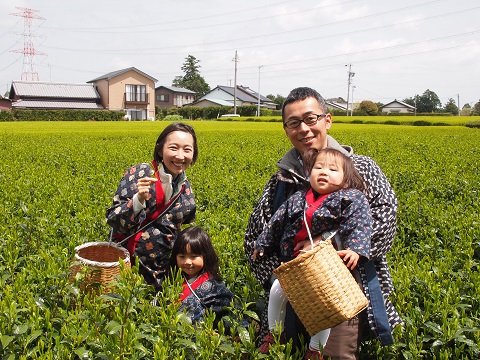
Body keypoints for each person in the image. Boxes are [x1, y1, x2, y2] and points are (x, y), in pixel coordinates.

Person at [244, 87, 402, 359]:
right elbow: (254, 238)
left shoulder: (361, 169)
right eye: (293, 123)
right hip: (291, 294)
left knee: (332, 355)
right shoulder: (279, 183)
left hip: (342, 291)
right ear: (286, 129)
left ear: (327, 120)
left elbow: (385, 220)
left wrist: (326, 248)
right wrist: (291, 275)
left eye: (310, 119)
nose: (303, 129)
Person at [253, 148, 372, 359]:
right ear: (309, 174)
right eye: (318, 167)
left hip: (326, 265)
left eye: (332, 169)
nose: (324, 172)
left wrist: (355, 250)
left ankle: (316, 349)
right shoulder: (299, 197)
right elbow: (276, 223)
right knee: (276, 291)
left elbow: (360, 225)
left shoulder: (351, 197)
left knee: (322, 306)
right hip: (296, 262)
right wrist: (262, 243)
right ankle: (275, 334)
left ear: (346, 180)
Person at [106, 122, 198, 291]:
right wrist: (138, 200)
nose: (180, 156)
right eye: (173, 148)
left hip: (163, 272)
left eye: (187, 149)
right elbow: (114, 220)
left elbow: (185, 224)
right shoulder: (140, 173)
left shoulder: (186, 188)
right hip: (129, 269)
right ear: (160, 150)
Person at [170, 226, 234, 325]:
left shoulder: (214, 286)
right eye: (182, 256)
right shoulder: (171, 280)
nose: (187, 262)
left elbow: (228, 316)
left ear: (205, 255)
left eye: (194, 256)